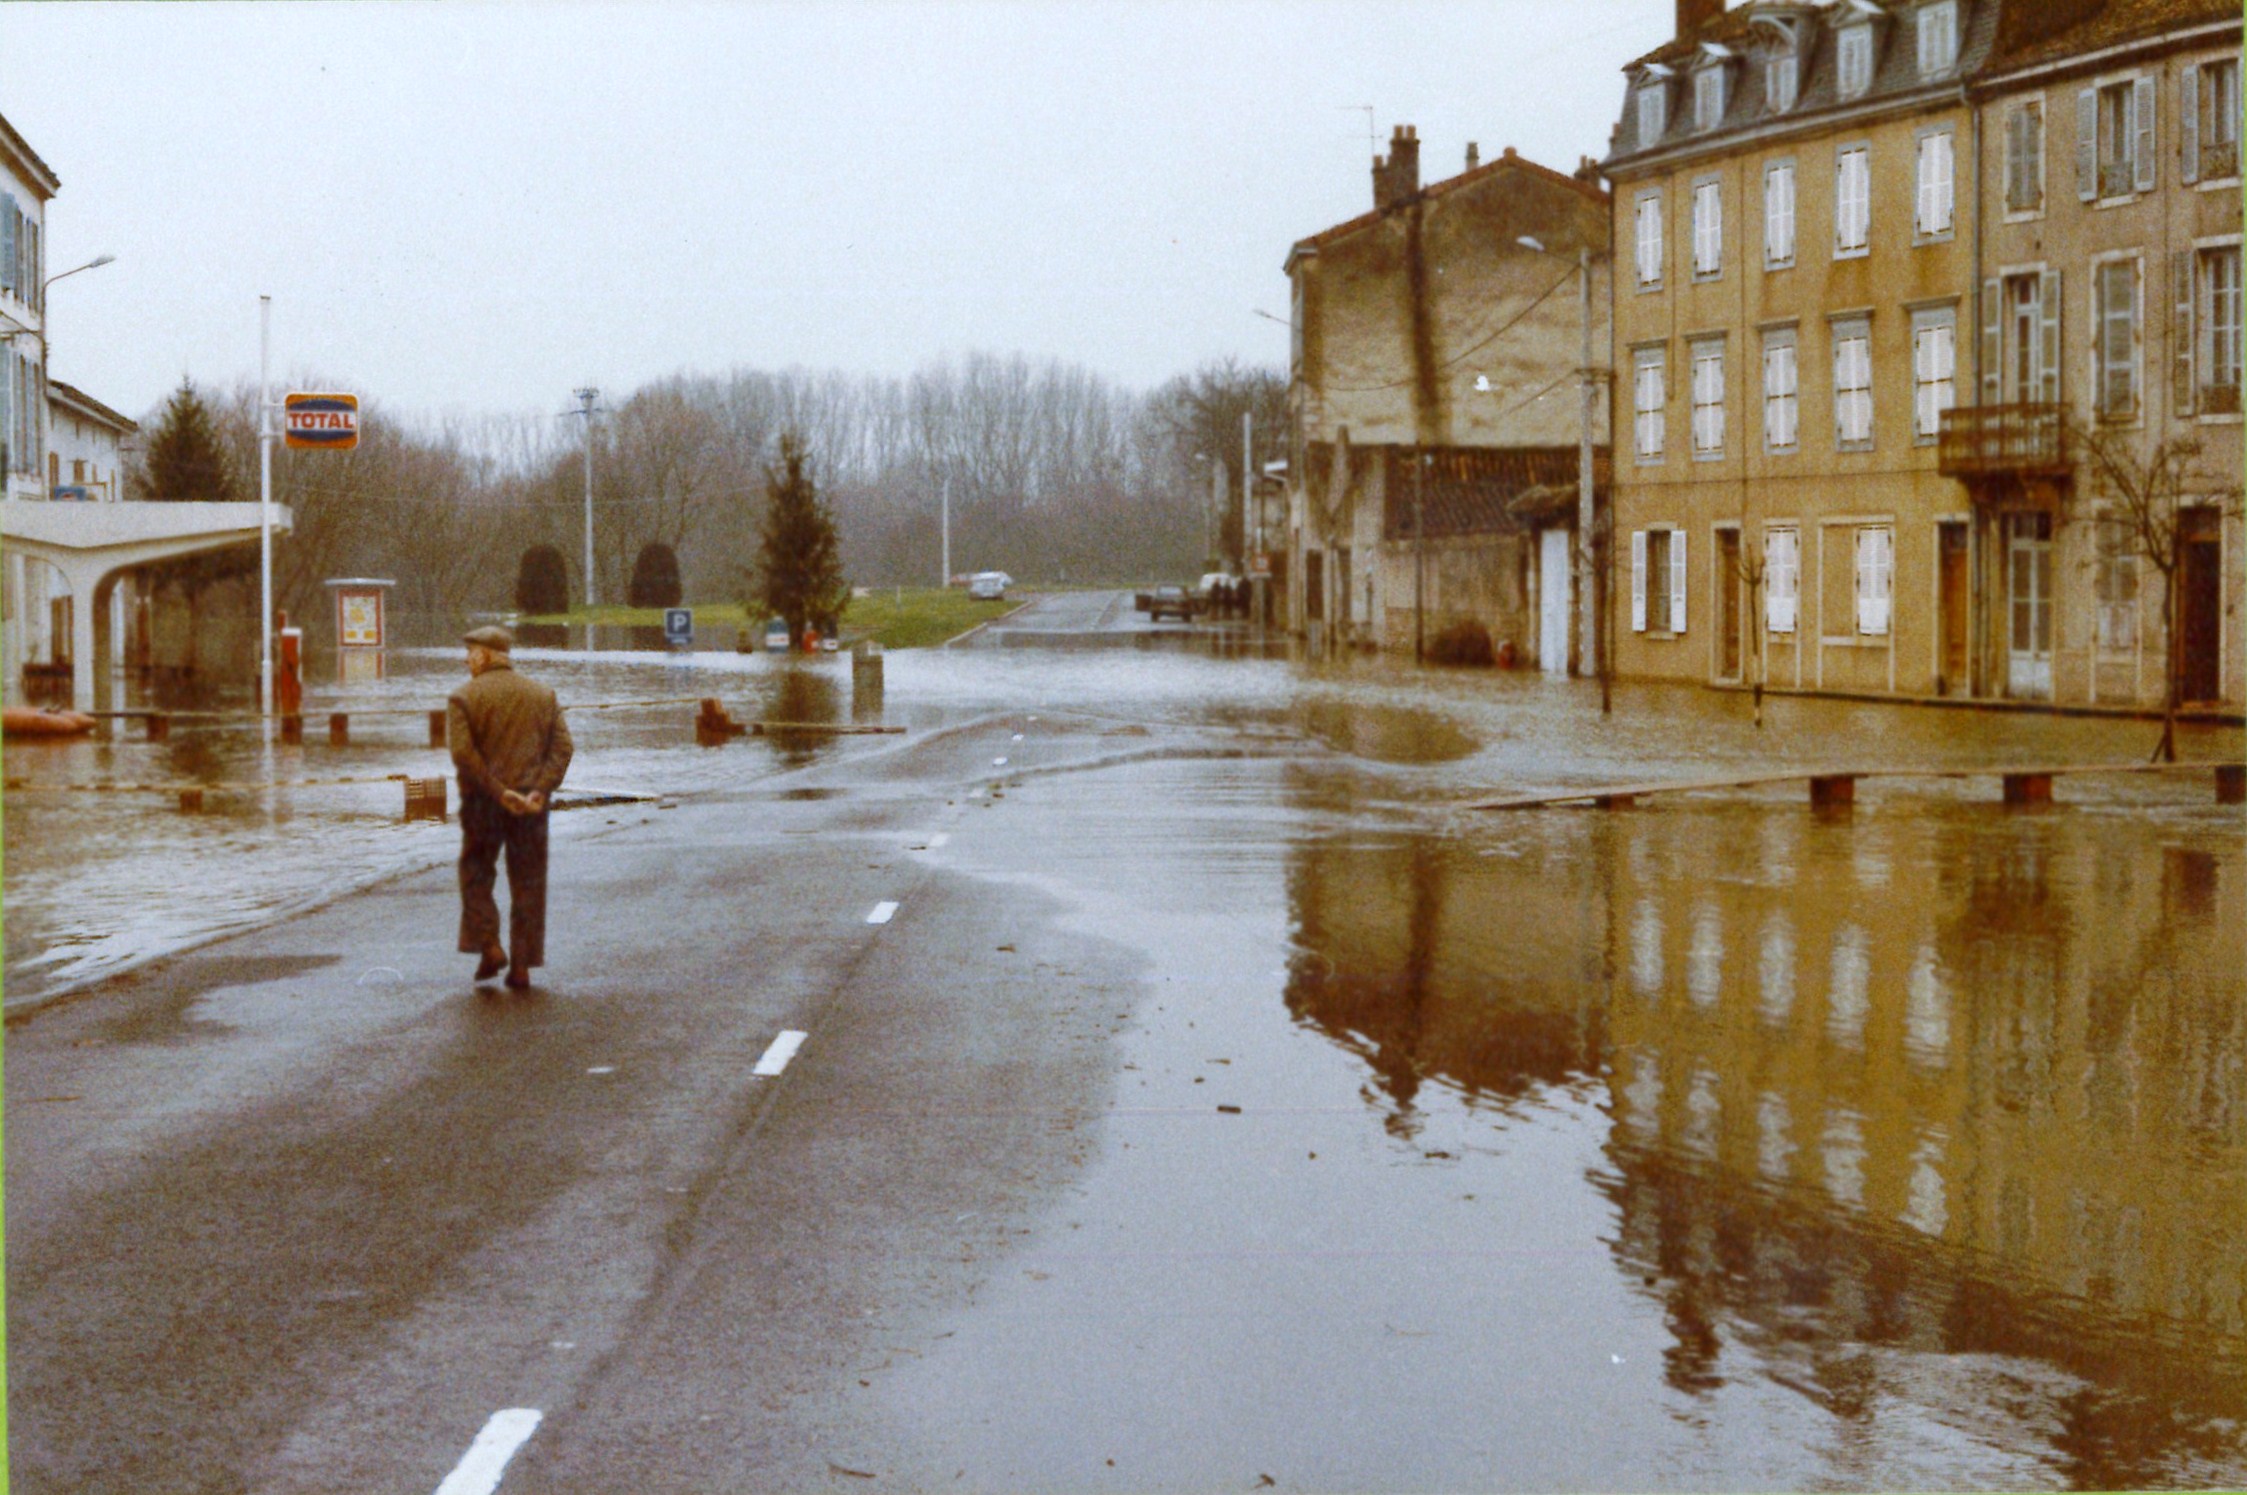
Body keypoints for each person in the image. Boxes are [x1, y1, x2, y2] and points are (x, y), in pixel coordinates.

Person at [448, 625, 573, 989]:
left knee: (476, 872)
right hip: (532, 807)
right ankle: (521, 965)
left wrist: (499, 792)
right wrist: (538, 790)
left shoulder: (463, 698)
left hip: (482, 804)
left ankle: (489, 945)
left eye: (471, 652)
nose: (466, 659)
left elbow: (463, 755)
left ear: (485, 656)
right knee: (529, 881)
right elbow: (563, 748)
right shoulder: (543, 695)